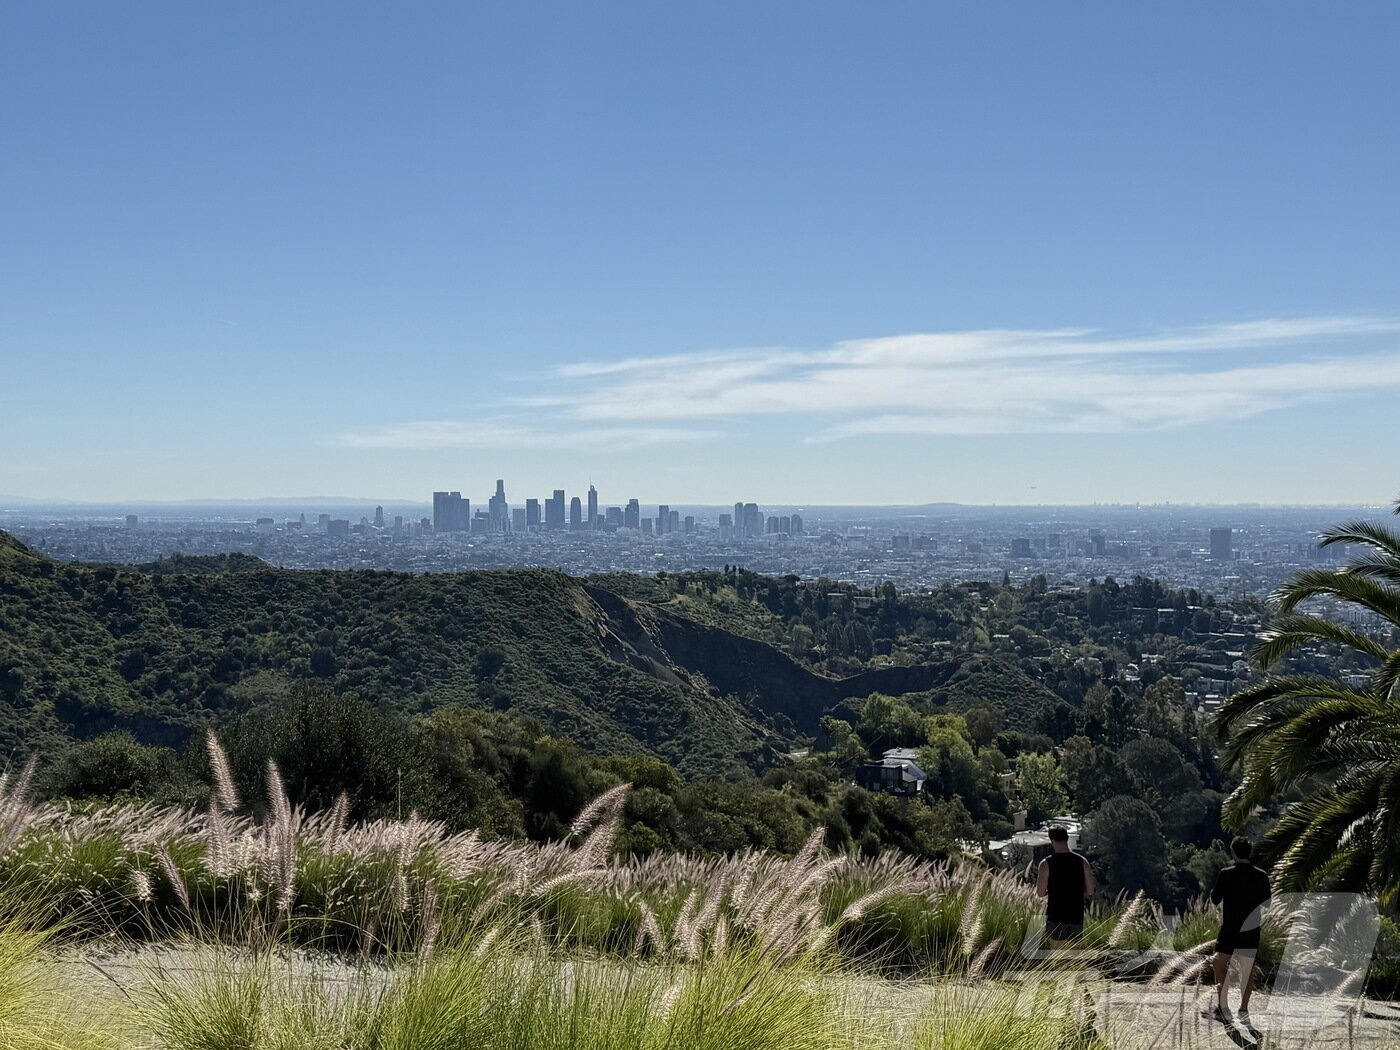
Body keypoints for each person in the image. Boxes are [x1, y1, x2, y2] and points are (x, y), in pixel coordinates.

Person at [1204, 836, 1271, 1033]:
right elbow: (1267, 904)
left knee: (1219, 964)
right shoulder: (1261, 876)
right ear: (1250, 853)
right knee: (1247, 970)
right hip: (1251, 929)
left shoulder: (1226, 874)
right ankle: (1243, 1009)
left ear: (1233, 852)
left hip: (1230, 928)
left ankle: (1223, 1007)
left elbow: (1215, 899)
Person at [1035, 825, 1095, 948]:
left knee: (1058, 959)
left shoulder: (1046, 864)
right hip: (1075, 916)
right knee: (1074, 958)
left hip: (1056, 916)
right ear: (1067, 839)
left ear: (1052, 840)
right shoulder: (1082, 862)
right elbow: (1090, 891)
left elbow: (1040, 892)